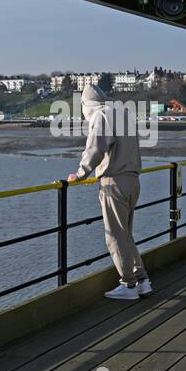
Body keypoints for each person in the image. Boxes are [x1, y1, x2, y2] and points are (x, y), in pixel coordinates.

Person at [67, 84, 152, 300]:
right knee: (126, 234)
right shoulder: (122, 112)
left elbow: (95, 147)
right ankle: (142, 280)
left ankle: (129, 285)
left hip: (114, 182)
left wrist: (81, 173)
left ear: (86, 105)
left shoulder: (101, 115)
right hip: (133, 180)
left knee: (114, 236)